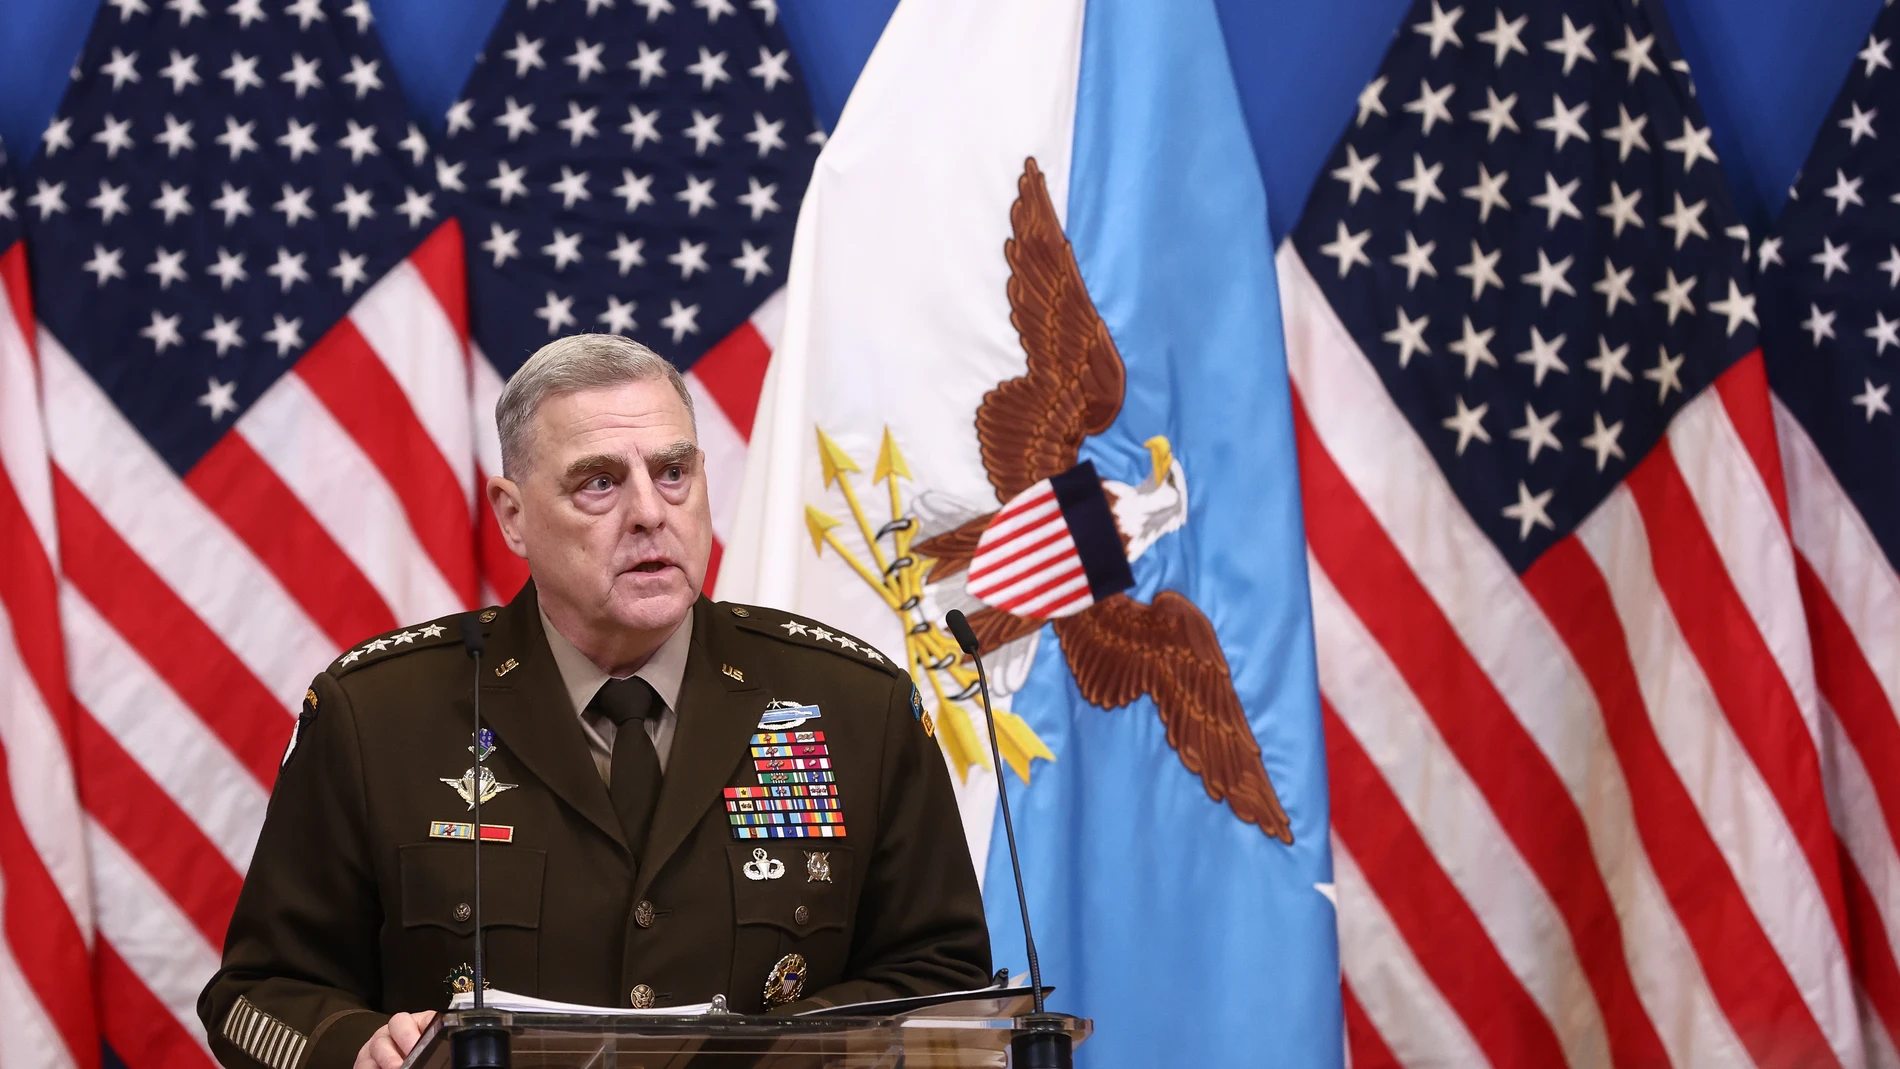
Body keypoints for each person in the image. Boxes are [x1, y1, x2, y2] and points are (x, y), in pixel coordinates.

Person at [197, 334, 991, 1069]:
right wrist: (355, 1047)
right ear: (513, 516)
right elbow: (254, 995)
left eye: (673, 471)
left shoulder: (853, 704)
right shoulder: (378, 715)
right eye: (600, 481)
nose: (651, 510)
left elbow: (941, 972)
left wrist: (782, 1053)